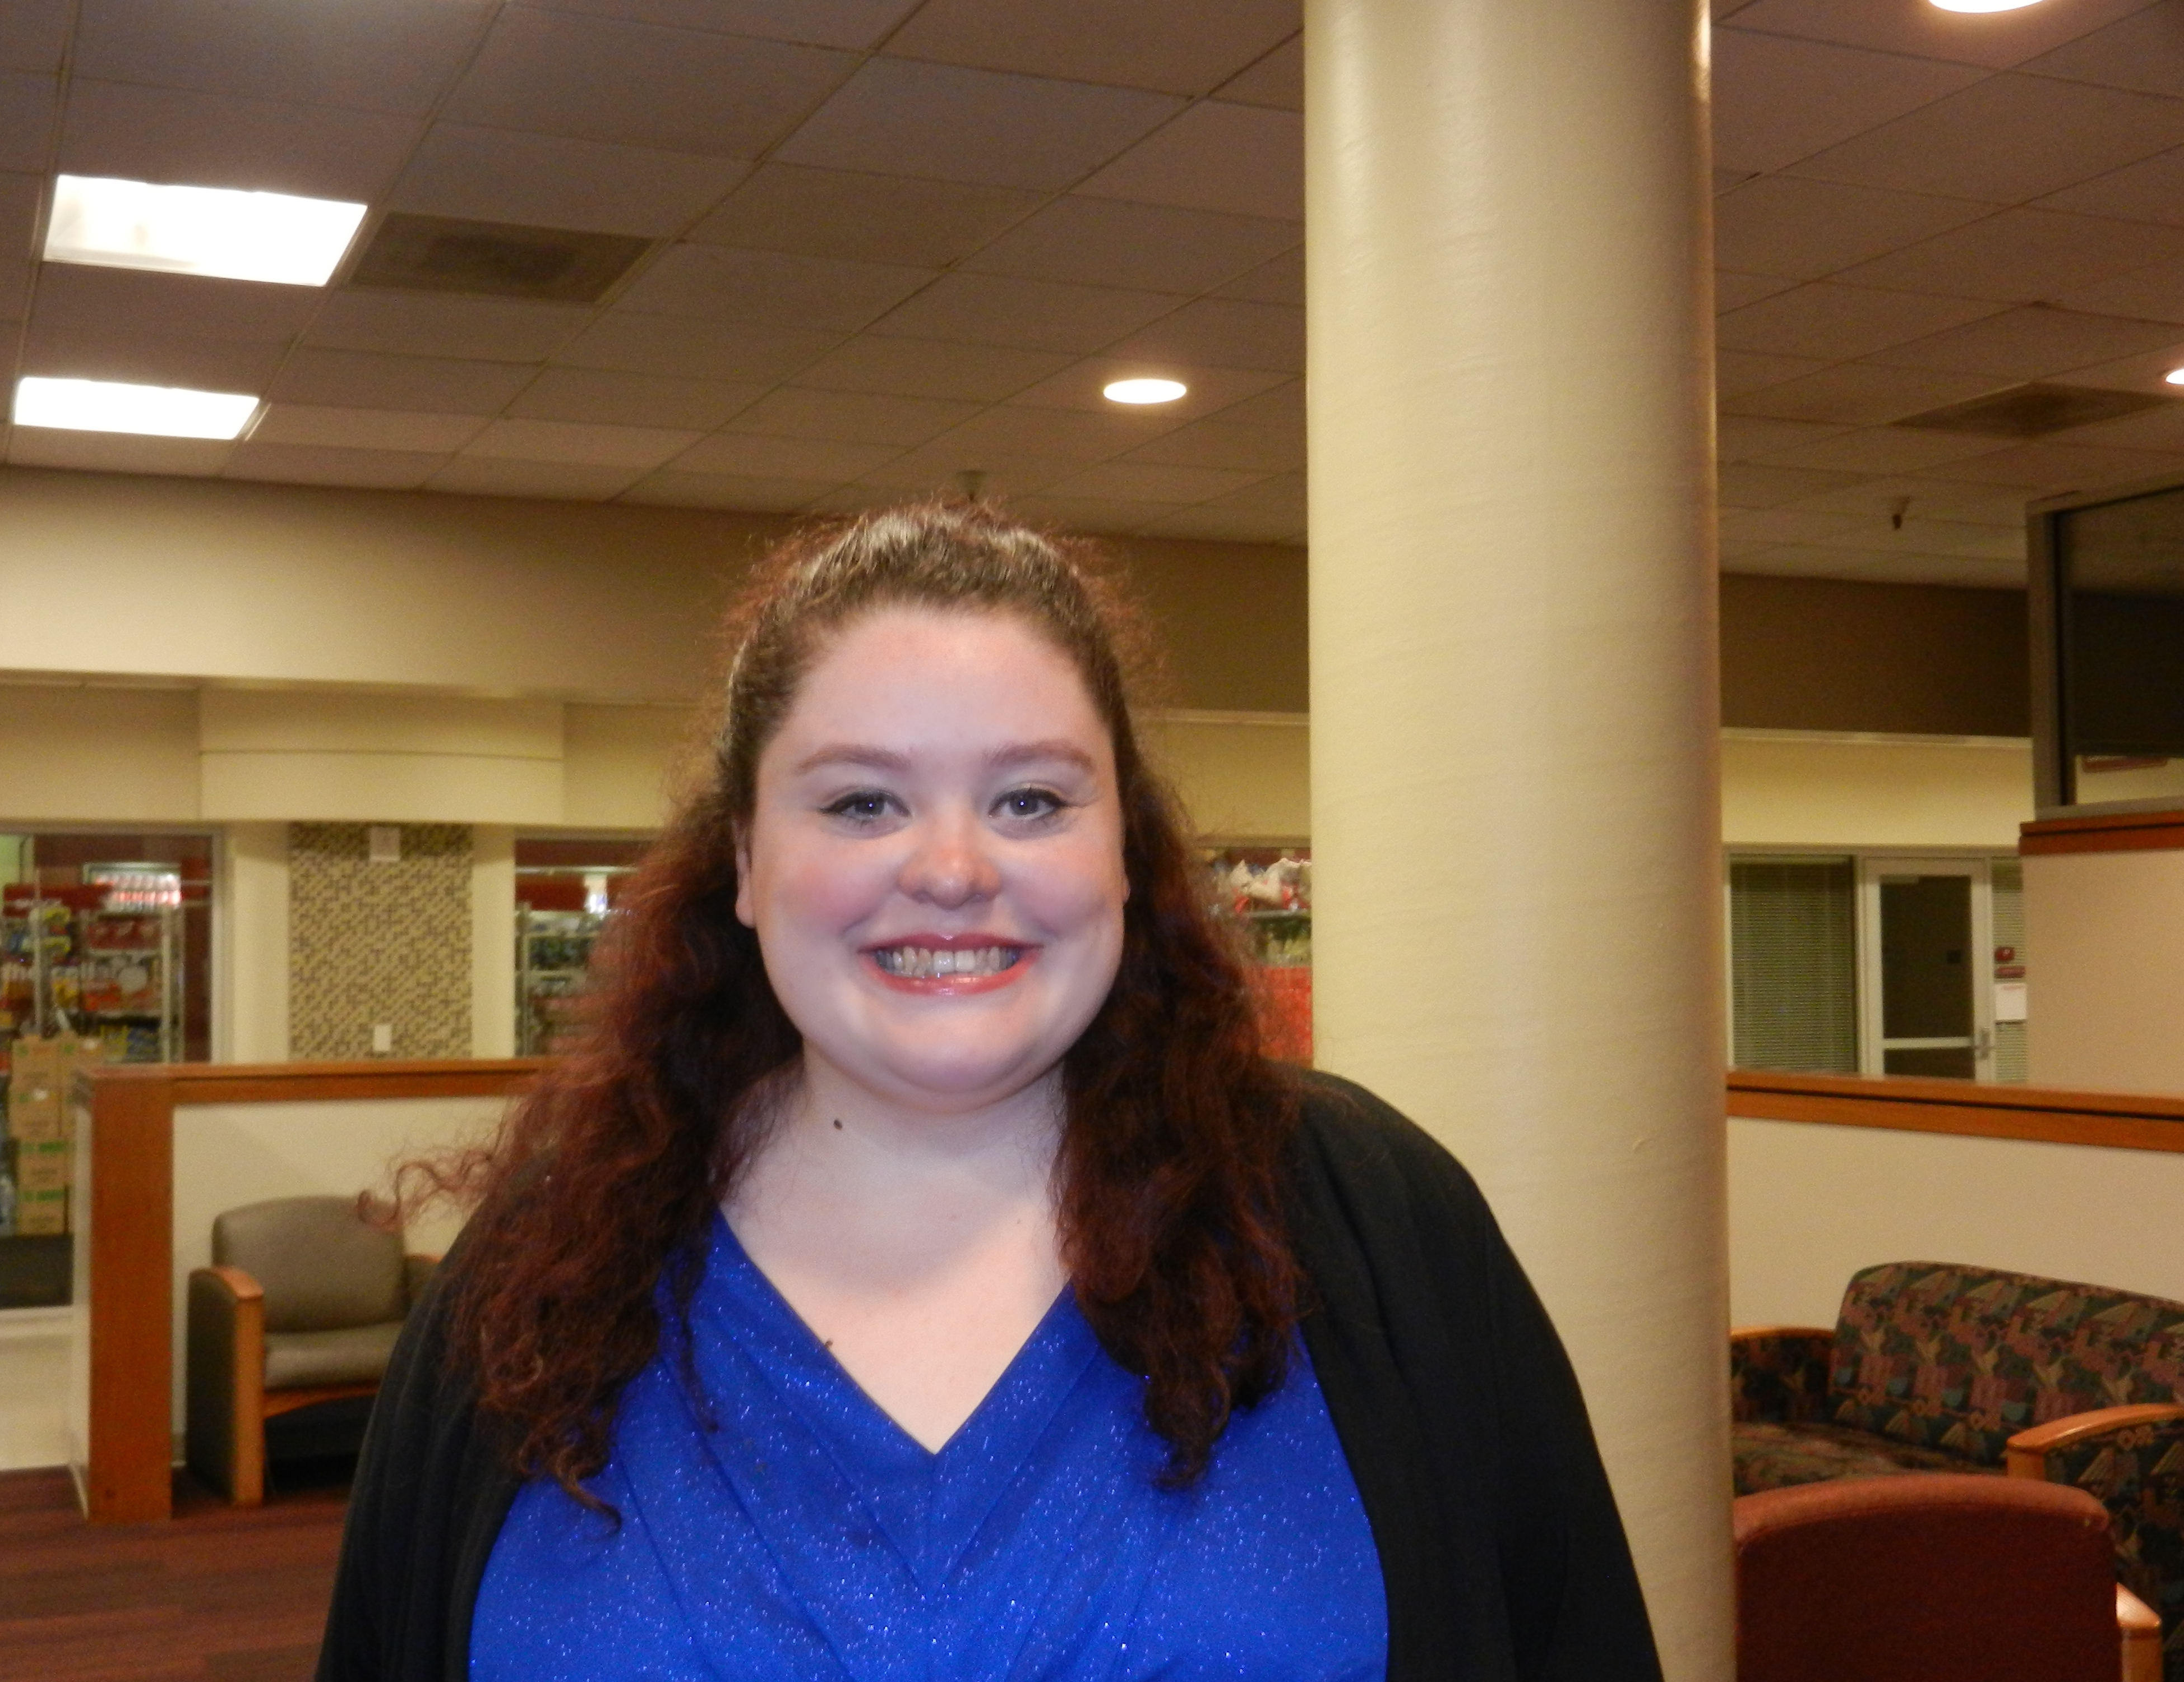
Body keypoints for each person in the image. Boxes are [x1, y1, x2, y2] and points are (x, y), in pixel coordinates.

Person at [316, 502, 1663, 1682]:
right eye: (859, 805)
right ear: (741, 860)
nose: (952, 868)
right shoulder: (549, 1272)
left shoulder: (1372, 1220)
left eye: (1028, 800)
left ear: (1124, 852)